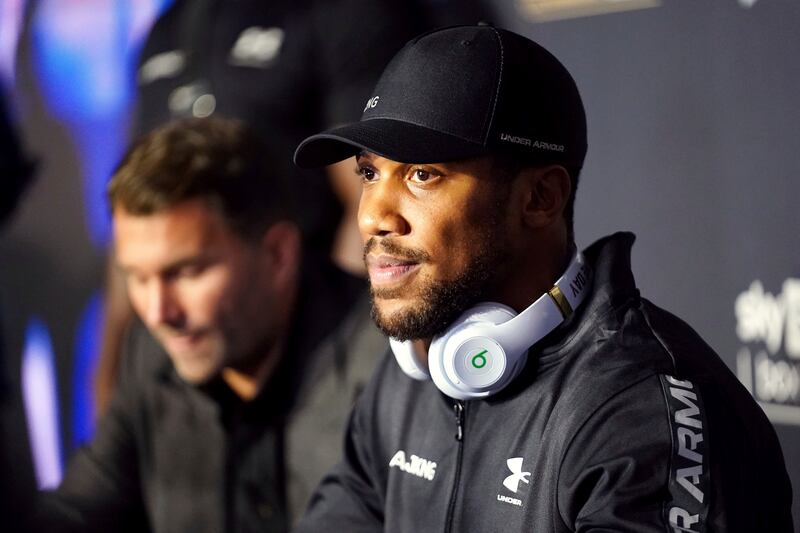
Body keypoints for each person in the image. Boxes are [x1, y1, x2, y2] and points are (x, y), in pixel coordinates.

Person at [291, 24, 795, 532]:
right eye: (369, 173)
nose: (372, 217)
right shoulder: (406, 374)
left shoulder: (639, 413)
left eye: (422, 175)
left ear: (540, 199)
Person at [37, 117, 385, 532]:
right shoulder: (149, 353)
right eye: (137, 277)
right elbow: (83, 503)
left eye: (185, 272)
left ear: (277, 255)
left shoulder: (389, 363)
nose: (157, 312)